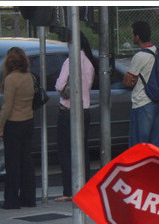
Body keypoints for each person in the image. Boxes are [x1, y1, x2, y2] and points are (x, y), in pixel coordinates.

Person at [55, 32, 97, 202]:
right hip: (85, 110)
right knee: (82, 151)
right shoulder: (89, 62)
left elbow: (59, 85)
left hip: (68, 110)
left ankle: (68, 190)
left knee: (65, 151)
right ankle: (84, 187)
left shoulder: (70, 61)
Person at [0, 46, 36, 209]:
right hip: (28, 121)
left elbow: (7, 106)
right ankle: (29, 198)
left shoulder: (11, 79)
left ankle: (12, 200)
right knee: (26, 161)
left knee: (12, 163)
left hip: (14, 123)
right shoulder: (29, 76)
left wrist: (0, 127)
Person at [124, 21, 159, 149]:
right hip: (157, 102)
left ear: (138, 37)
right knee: (155, 146)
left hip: (142, 104)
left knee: (139, 146)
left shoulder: (140, 56)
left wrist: (132, 80)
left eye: (132, 34)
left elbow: (127, 81)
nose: (131, 36)